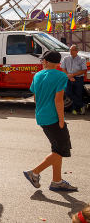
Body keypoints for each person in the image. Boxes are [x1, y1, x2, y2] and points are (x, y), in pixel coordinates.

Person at [24, 50, 77, 192]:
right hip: (54, 118)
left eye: (42, 60)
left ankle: (57, 181)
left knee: (57, 149)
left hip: (42, 116)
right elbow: (58, 99)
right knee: (62, 149)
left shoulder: (37, 75)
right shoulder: (61, 76)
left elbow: (35, 98)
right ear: (59, 63)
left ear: (46, 61)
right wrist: (61, 120)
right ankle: (34, 173)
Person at [61, 45, 88, 115]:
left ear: (77, 51)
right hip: (68, 78)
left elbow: (83, 70)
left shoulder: (82, 59)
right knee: (68, 92)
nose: (71, 51)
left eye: (72, 50)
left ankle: (74, 109)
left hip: (78, 78)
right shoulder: (66, 58)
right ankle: (82, 104)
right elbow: (63, 69)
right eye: (70, 50)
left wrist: (72, 75)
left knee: (78, 94)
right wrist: (69, 76)